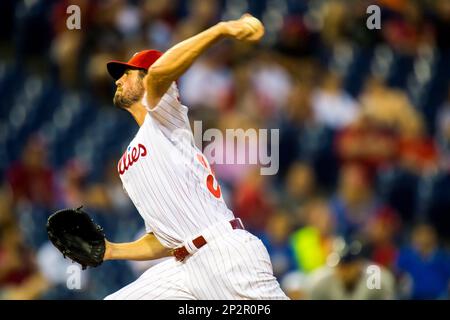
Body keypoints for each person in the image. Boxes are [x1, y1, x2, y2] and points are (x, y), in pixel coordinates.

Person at [101, 14, 288, 300]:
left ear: (148, 76)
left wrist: (221, 29)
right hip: (182, 266)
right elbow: (162, 239)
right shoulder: (127, 162)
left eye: (127, 73)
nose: (119, 80)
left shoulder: (164, 115)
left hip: (223, 253)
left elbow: (161, 74)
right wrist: (112, 250)